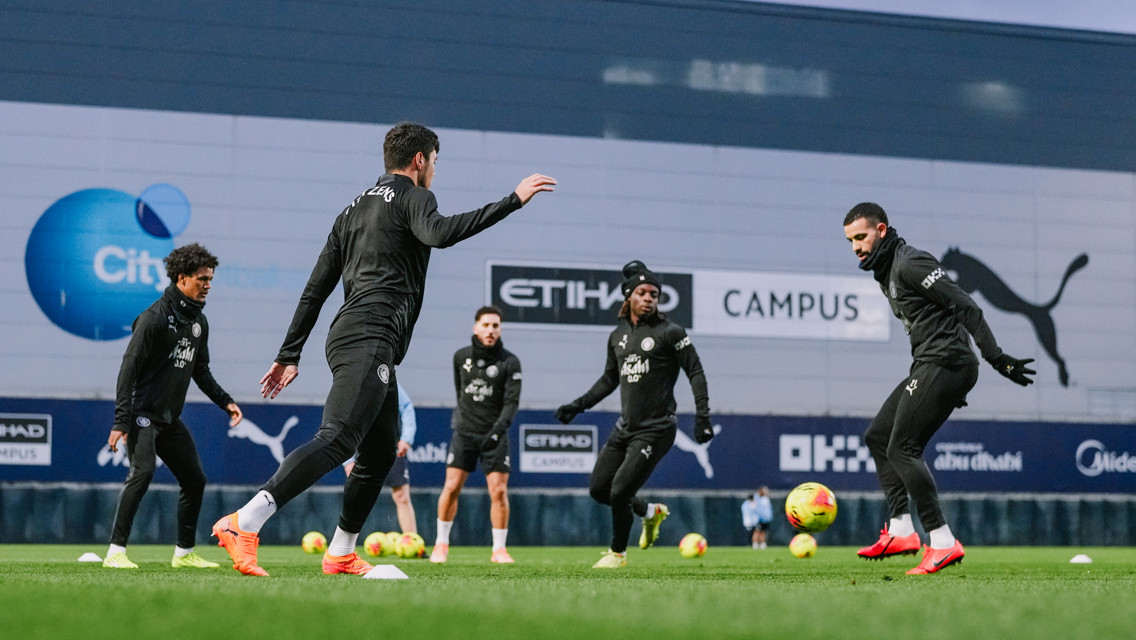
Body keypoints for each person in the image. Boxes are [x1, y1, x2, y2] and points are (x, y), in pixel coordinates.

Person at [212, 122, 556, 577]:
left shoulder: (351, 210)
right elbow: (440, 233)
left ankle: (340, 553)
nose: (434, 170)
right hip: (370, 334)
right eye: (434, 161)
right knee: (338, 438)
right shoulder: (416, 197)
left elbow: (317, 287)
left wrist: (290, 352)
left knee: (379, 454)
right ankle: (245, 521)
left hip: (355, 336)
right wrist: (511, 201)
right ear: (420, 160)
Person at [843, 202, 1034, 575]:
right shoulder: (885, 270)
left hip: (947, 362)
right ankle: (901, 529)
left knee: (903, 448)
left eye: (861, 237)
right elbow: (939, 318)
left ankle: (942, 541)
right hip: (936, 365)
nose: (856, 247)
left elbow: (966, 306)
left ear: (881, 230)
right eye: (850, 241)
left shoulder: (910, 263)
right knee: (878, 437)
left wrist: (997, 359)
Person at [555, 260, 714, 569]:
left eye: (654, 293)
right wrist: (577, 406)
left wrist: (703, 416)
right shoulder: (617, 336)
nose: (649, 298)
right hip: (625, 428)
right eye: (642, 292)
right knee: (599, 489)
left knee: (620, 490)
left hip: (657, 429)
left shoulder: (670, 332)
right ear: (628, 296)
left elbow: (695, 371)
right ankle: (650, 512)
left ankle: (617, 554)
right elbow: (608, 380)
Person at [103, 243, 243, 569]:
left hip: (169, 419)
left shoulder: (198, 323)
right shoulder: (152, 319)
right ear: (181, 278)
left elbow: (200, 371)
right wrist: (121, 421)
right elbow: (127, 371)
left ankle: (184, 555)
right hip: (141, 415)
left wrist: (226, 402)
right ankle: (115, 552)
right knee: (143, 472)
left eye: (210, 279)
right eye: (202, 278)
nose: (208, 284)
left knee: (195, 479)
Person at [430, 306, 521, 564]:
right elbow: (461, 393)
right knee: (451, 487)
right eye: (486, 325)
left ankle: (499, 549)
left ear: (500, 329)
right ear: (476, 327)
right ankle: (441, 544)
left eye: (495, 326)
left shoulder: (510, 362)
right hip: (465, 432)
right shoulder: (461, 357)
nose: (490, 330)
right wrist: (466, 423)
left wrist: (497, 431)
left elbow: (511, 403)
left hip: (495, 436)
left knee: (499, 492)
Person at [343, 382, 418, 533]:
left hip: (392, 446)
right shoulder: (350, 382)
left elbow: (406, 407)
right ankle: (344, 547)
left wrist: (406, 438)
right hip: (362, 449)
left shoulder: (389, 380)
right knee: (357, 499)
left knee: (401, 496)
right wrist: (348, 461)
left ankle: (413, 544)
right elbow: (343, 422)